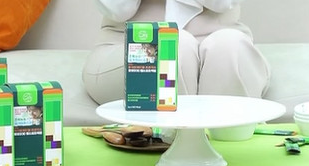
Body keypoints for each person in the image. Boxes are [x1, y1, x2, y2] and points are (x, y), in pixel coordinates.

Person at [82, 0, 270, 104]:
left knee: (229, 47)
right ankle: (178, 145)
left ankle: (228, 153)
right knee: (172, 46)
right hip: (129, 45)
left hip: (220, 39)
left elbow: (222, 2)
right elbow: (117, 8)